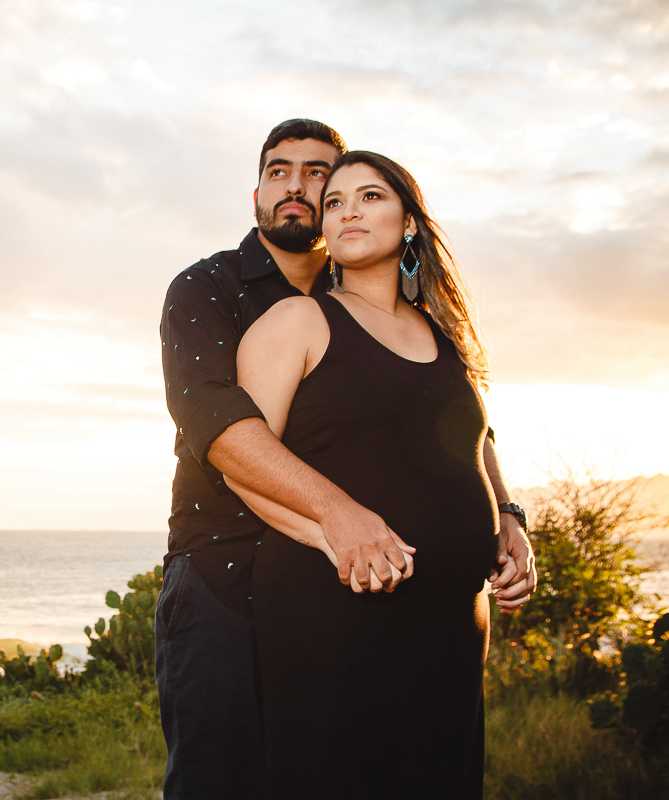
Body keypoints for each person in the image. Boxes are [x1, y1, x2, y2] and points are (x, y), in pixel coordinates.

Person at [157, 121, 535, 800]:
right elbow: (227, 439)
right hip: (230, 577)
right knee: (229, 780)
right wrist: (336, 523)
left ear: (409, 222)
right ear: (256, 192)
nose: (308, 191)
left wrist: (506, 513)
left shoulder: (430, 329)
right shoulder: (219, 293)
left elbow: (467, 433)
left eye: (323, 181)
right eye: (282, 172)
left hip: (432, 615)